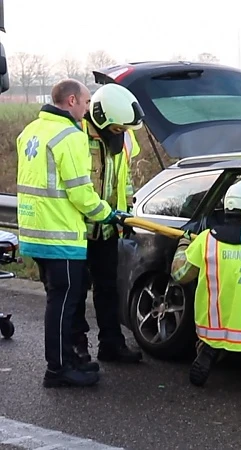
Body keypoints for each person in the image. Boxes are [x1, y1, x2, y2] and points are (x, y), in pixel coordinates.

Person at [16, 79, 127, 387]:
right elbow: (81, 193)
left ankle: (70, 358)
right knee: (64, 305)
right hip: (61, 234)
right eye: (87, 102)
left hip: (35, 231)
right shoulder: (71, 136)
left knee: (59, 301)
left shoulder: (30, 131)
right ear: (72, 101)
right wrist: (109, 215)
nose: (88, 108)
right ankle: (59, 369)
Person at [171, 179, 241, 387]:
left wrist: (184, 244)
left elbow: (180, 274)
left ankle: (208, 353)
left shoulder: (206, 240)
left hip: (215, 330)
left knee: (212, 343)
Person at [71, 83, 144, 366]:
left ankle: (111, 343)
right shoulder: (76, 136)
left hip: (108, 227)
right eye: (118, 129)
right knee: (76, 289)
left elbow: (123, 179)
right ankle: (77, 345)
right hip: (78, 228)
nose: (122, 134)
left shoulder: (123, 139)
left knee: (108, 287)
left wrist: (127, 210)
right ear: (101, 119)